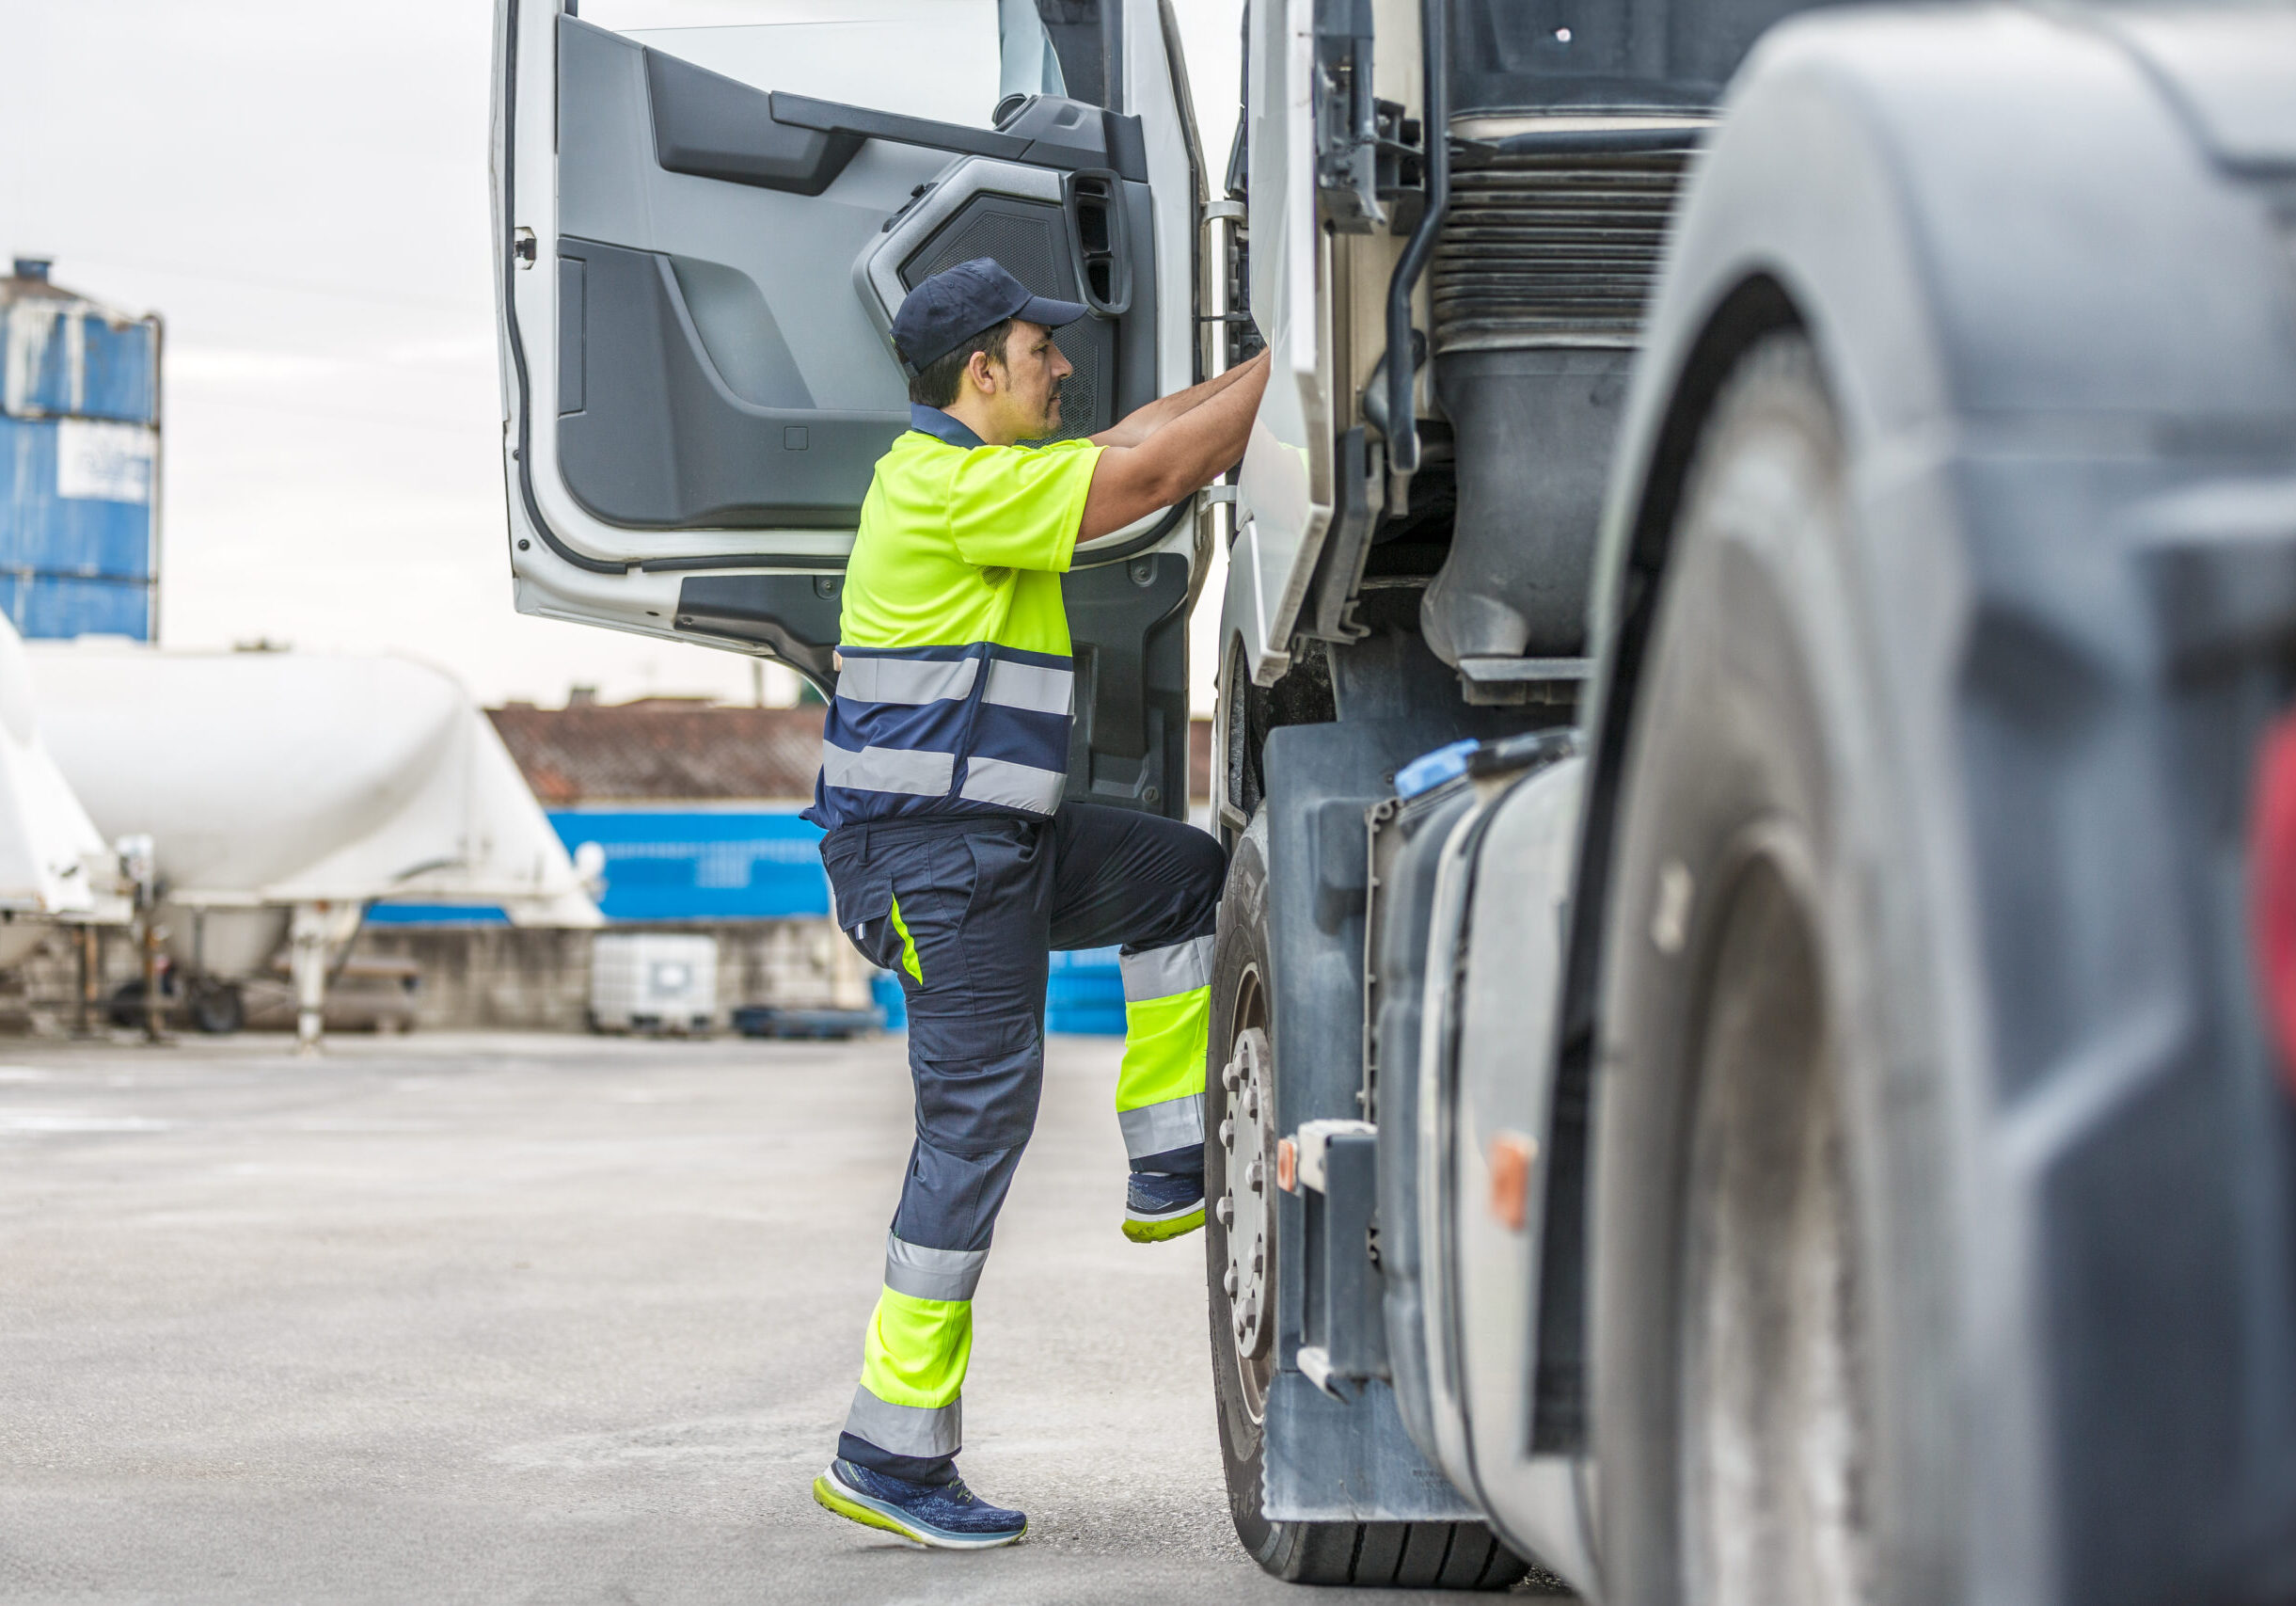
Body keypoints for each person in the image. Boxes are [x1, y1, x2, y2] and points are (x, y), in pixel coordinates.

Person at [803, 258, 1270, 1550]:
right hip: (931, 865)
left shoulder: (980, 472)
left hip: (993, 845)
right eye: (1039, 347)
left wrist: (1280, 346)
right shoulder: (948, 488)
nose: (1064, 365)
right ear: (980, 373)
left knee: (1182, 875)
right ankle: (887, 1449)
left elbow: (1138, 437)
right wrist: (1315, 369)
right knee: (973, 1132)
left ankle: (1170, 1149)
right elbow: (1158, 476)